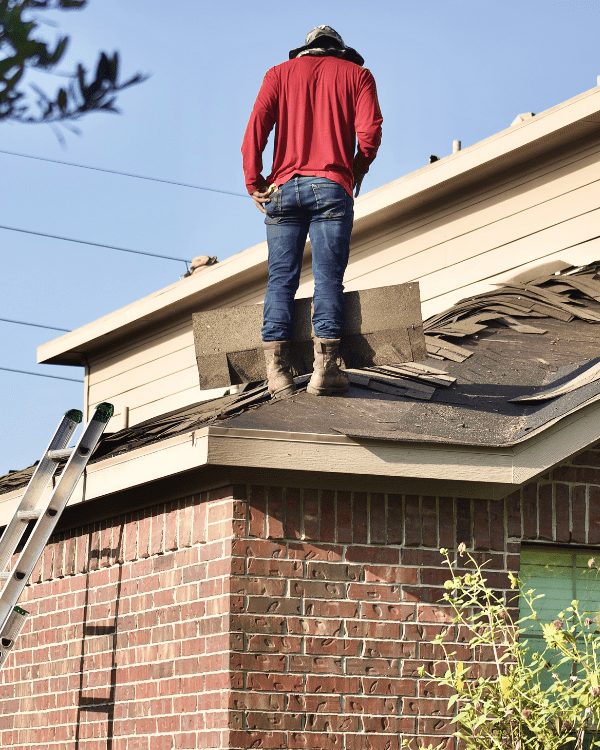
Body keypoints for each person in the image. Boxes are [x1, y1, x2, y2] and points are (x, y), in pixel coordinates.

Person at [242, 25, 383, 397]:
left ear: (305, 50)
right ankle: (326, 370)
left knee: (280, 280)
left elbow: (256, 128)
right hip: (331, 187)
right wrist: (355, 170)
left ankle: (277, 373)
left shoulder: (278, 74)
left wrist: (253, 182)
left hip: (283, 189)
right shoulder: (358, 75)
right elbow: (369, 134)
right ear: (339, 51)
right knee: (328, 278)